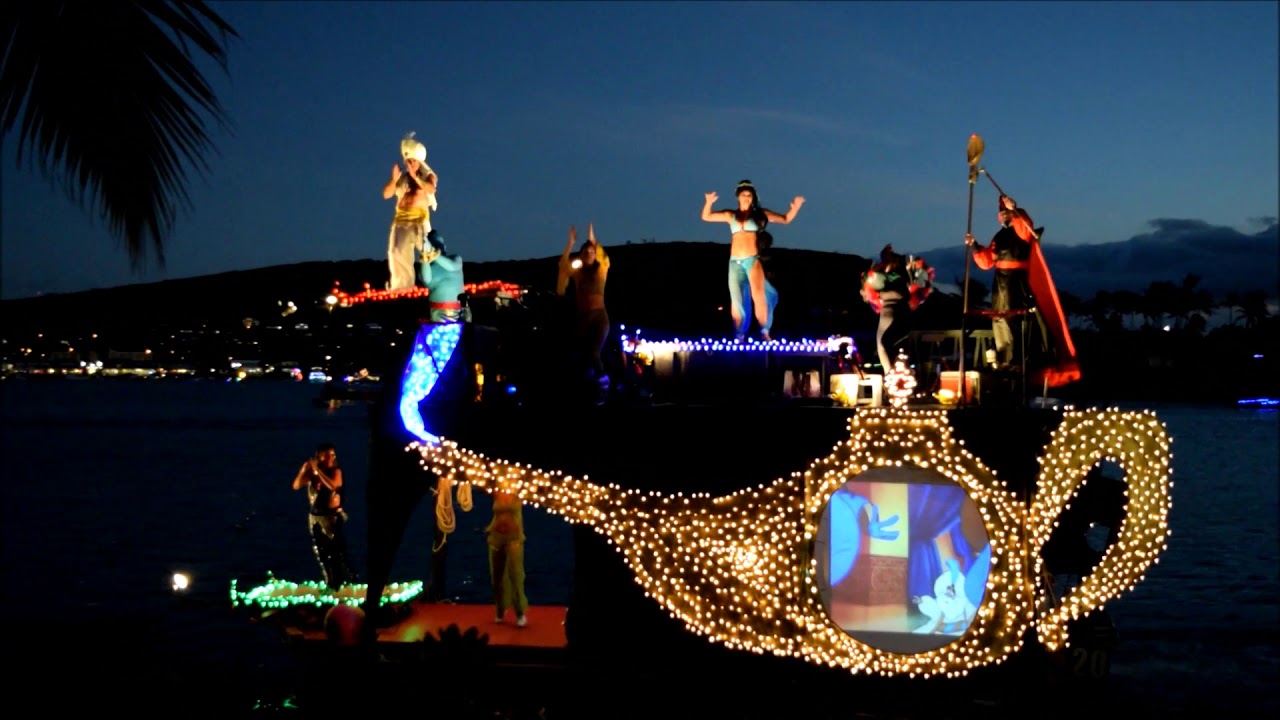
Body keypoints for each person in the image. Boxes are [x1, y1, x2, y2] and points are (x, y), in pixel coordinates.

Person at [701, 179, 804, 341]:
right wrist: (708, 202)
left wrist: (795, 207)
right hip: (734, 262)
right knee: (737, 300)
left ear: (753, 197)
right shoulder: (731, 215)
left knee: (759, 295)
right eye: (743, 195)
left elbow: (785, 219)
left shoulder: (760, 214)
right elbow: (706, 216)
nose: (746, 198)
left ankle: (764, 331)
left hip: (752, 260)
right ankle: (740, 333)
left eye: (749, 195)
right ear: (738, 197)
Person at [965, 194, 1045, 369]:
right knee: (998, 318)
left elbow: (1025, 226)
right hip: (1000, 280)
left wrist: (1014, 209)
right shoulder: (999, 236)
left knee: (1012, 317)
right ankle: (1003, 357)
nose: (1002, 215)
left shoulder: (1022, 229)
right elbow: (987, 261)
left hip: (1017, 280)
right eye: (1001, 212)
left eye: (1005, 212)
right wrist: (975, 245)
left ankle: (1016, 360)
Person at [556, 223, 611, 401]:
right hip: (582, 318)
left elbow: (603, 257)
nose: (588, 255)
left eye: (591, 252)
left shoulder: (601, 270)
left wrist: (593, 239)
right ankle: (585, 388)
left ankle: (604, 386)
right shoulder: (578, 272)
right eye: (585, 252)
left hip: (598, 317)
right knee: (578, 354)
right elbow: (563, 267)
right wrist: (570, 243)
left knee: (594, 352)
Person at [861, 244, 935, 372]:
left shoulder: (904, 275)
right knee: (881, 349)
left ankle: (896, 377)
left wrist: (916, 269)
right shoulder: (883, 275)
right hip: (885, 314)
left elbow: (921, 282)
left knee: (886, 343)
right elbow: (872, 281)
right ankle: (890, 381)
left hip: (899, 313)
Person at [292, 442, 356, 589]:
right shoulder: (313, 473)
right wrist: (304, 470)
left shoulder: (335, 471)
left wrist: (318, 472)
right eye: (328, 455)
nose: (331, 458)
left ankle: (349, 580)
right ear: (320, 457)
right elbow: (296, 486)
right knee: (321, 552)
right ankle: (331, 583)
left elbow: (333, 485)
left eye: (333, 455)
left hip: (331, 517)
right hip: (315, 516)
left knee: (338, 551)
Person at [382, 132, 438, 291]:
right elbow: (386, 194)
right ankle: (402, 288)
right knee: (397, 252)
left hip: (420, 219)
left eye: (411, 161)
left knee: (430, 253)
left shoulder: (428, 175)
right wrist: (394, 180)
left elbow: (430, 189)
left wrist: (415, 176)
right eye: (407, 161)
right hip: (400, 220)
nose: (408, 163)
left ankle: (437, 283)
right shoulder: (402, 177)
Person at [486, 489, 528, 627]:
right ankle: (500, 609)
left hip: (514, 538)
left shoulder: (518, 491)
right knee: (497, 576)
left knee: (515, 574)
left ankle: (520, 612)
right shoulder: (496, 491)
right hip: (497, 536)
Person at [419, 231, 466, 323]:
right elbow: (426, 280)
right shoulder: (427, 267)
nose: (438, 247)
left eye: (439, 244)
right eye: (434, 244)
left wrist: (434, 255)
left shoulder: (455, 258)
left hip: (457, 311)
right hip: (436, 311)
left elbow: (452, 266)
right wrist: (425, 258)